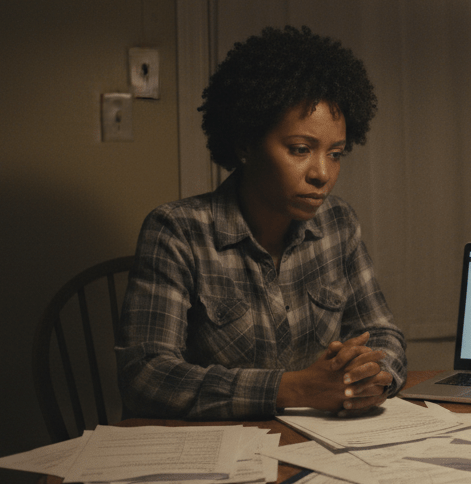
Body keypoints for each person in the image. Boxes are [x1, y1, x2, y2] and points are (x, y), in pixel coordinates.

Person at [117, 25, 406, 419]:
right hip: (217, 449)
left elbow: (382, 332)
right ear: (245, 145)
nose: (322, 173)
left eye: (336, 153)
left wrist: (374, 376)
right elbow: (145, 375)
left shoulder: (338, 222)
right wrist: (295, 388)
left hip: (319, 440)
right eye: (300, 150)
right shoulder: (178, 231)